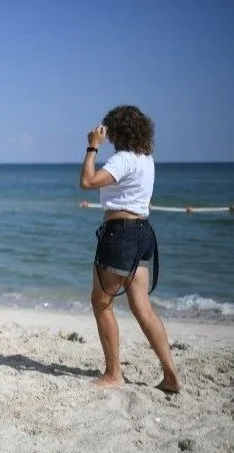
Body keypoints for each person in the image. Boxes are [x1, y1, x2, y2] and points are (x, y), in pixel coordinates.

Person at [79, 105, 180, 393]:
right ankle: (170, 374)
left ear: (119, 132)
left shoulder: (122, 159)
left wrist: (91, 147)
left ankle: (114, 373)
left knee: (101, 303)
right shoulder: (146, 159)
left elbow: (87, 181)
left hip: (120, 233)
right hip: (143, 233)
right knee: (142, 308)